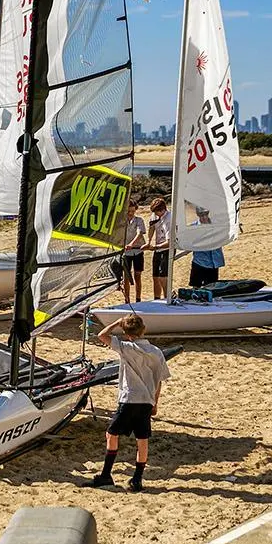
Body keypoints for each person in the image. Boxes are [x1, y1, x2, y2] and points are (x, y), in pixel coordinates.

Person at [87, 313, 170, 492]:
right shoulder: (156, 352)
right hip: (146, 400)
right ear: (143, 330)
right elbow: (159, 381)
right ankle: (137, 479)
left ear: (126, 333)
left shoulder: (126, 347)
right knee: (142, 439)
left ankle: (106, 475)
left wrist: (117, 323)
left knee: (111, 434)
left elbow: (102, 335)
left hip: (129, 398)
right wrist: (155, 403)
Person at [120, 199, 146, 303]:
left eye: (133, 211)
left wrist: (132, 244)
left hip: (137, 251)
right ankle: (127, 299)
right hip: (126, 253)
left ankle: (138, 298)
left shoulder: (139, 220)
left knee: (137, 276)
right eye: (128, 211)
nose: (130, 213)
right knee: (126, 277)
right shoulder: (121, 222)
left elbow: (139, 233)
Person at [147, 197, 173, 300]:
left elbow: (169, 243)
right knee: (156, 277)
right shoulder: (154, 215)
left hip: (166, 249)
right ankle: (156, 298)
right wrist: (149, 242)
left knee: (163, 277)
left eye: (157, 212)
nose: (156, 215)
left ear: (163, 210)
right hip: (157, 248)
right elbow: (151, 228)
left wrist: (155, 247)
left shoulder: (169, 219)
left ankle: (167, 297)